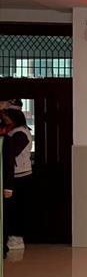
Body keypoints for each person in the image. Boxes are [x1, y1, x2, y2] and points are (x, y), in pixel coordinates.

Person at [4, 108, 32, 251]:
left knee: (17, 208)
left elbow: (12, 153)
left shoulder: (20, 133)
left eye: (7, 117)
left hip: (20, 176)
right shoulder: (15, 130)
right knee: (15, 208)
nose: (5, 119)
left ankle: (17, 237)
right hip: (17, 174)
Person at [1, 113, 14, 258]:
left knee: (2, 217)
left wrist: (8, 187)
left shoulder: (6, 140)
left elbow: (9, 165)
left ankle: (2, 248)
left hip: (2, 185)